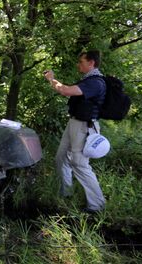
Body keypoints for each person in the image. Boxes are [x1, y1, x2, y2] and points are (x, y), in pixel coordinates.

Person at [44, 50, 107, 213]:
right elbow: (69, 91)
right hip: (74, 123)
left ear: (91, 63)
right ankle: (66, 194)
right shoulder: (88, 80)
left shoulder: (96, 82)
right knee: (61, 158)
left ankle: (97, 205)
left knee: (79, 163)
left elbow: (65, 90)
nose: (79, 64)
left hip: (84, 127)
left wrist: (51, 79)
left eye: (81, 62)